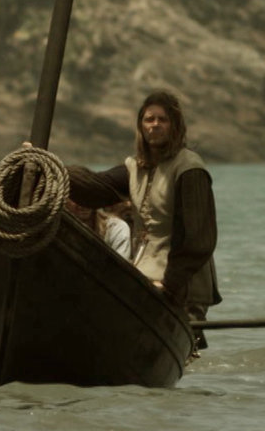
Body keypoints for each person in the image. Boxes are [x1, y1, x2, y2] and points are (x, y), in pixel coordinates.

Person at [67, 90, 220, 331]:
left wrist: (170, 285)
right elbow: (95, 188)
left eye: (162, 119)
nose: (155, 124)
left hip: (183, 288)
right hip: (144, 278)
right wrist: (47, 165)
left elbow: (198, 240)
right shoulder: (135, 168)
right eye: (149, 119)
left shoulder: (189, 169)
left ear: (175, 126)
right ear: (141, 126)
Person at [65, 167, 132, 256]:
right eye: (76, 198)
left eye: (88, 196)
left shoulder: (115, 229)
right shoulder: (54, 231)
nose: (82, 204)